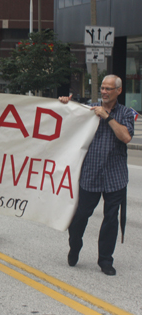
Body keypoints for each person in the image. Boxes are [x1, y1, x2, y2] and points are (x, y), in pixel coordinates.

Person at [59, 75, 134, 276]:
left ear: (118, 91)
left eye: (109, 88)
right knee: (80, 216)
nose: (104, 92)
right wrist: (65, 104)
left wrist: (107, 117)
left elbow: (126, 137)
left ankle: (105, 260)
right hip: (91, 173)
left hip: (115, 176)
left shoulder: (126, 113)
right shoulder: (89, 110)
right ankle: (75, 246)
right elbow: (66, 122)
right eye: (102, 88)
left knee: (111, 219)